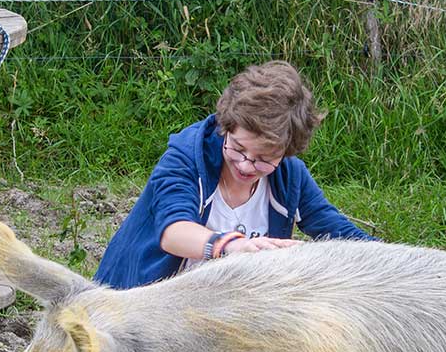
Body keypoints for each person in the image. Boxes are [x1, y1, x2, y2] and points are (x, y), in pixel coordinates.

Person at [94, 60, 377, 289]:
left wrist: (396, 263)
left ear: (287, 152)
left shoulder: (291, 178)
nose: (245, 166)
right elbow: (173, 232)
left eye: (263, 160)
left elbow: (341, 234)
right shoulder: (186, 156)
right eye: (238, 149)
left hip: (221, 312)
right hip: (137, 304)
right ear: (226, 126)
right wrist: (233, 246)